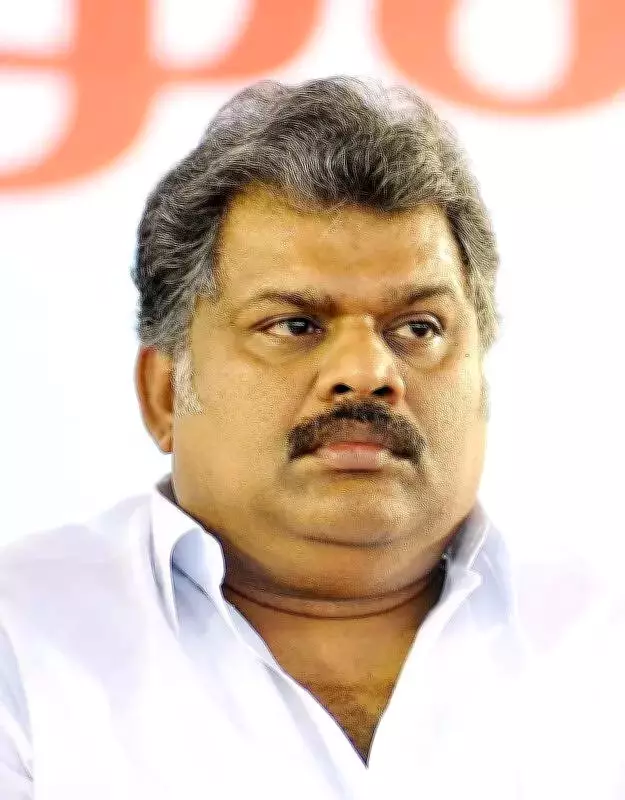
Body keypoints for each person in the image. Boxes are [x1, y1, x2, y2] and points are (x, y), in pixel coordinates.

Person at [0, 76, 623, 799]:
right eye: (294, 325)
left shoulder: (602, 636)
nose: (366, 373)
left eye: (418, 328)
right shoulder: (23, 639)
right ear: (165, 393)